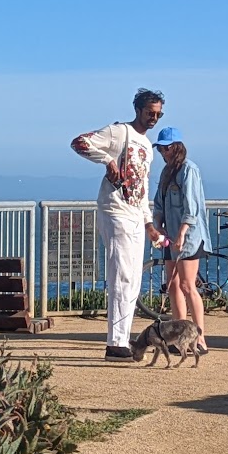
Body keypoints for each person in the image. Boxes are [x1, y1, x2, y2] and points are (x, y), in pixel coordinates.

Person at [71, 88, 166, 360]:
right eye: (150, 113)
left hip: (135, 214)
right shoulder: (119, 132)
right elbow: (79, 142)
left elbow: (143, 187)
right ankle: (115, 342)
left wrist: (149, 223)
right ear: (138, 110)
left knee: (133, 278)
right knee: (121, 275)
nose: (153, 118)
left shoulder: (146, 146)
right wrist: (107, 159)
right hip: (116, 210)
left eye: (158, 114)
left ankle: (122, 338)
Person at [151, 125, 211, 354]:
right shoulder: (166, 173)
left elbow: (192, 207)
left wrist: (182, 233)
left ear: (176, 147)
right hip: (170, 236)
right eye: (160, 149)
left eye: (166, 148)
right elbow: (159, 203)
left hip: (190, 237)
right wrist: (158, 226)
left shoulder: (189, 170)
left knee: (187, 285)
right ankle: (178, 336)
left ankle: (199, 338)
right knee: (173, 284)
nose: (163, 153)